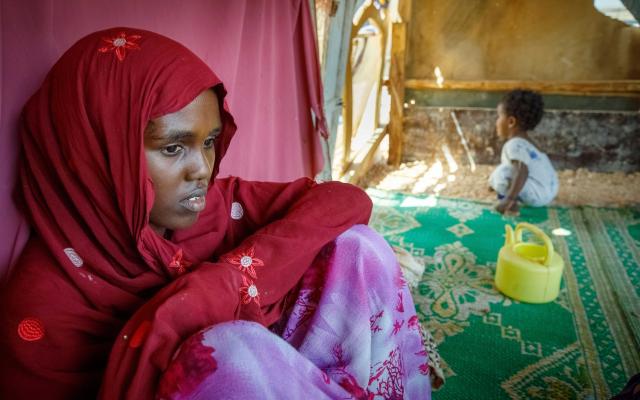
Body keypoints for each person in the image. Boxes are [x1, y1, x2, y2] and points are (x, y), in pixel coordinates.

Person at [0, 28, 437, 399]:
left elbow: (345, 199)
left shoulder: (214, 207)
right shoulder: (42, 308)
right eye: (173, 148)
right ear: (94, 154)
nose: (203, 170)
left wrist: (226, 281)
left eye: (209, 142)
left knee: (357, 247)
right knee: (228, 355)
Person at [489, 89, 559, 215]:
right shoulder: (528, 142)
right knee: (506, 171)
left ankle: (509, 203)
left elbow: (522, 170)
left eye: (499, 116)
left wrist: (509, 198)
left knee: (502, 172)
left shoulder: (514, 144)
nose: (497, 122)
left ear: (511, 122)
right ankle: (509, 196)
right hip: (549, 190)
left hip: (537, 195)